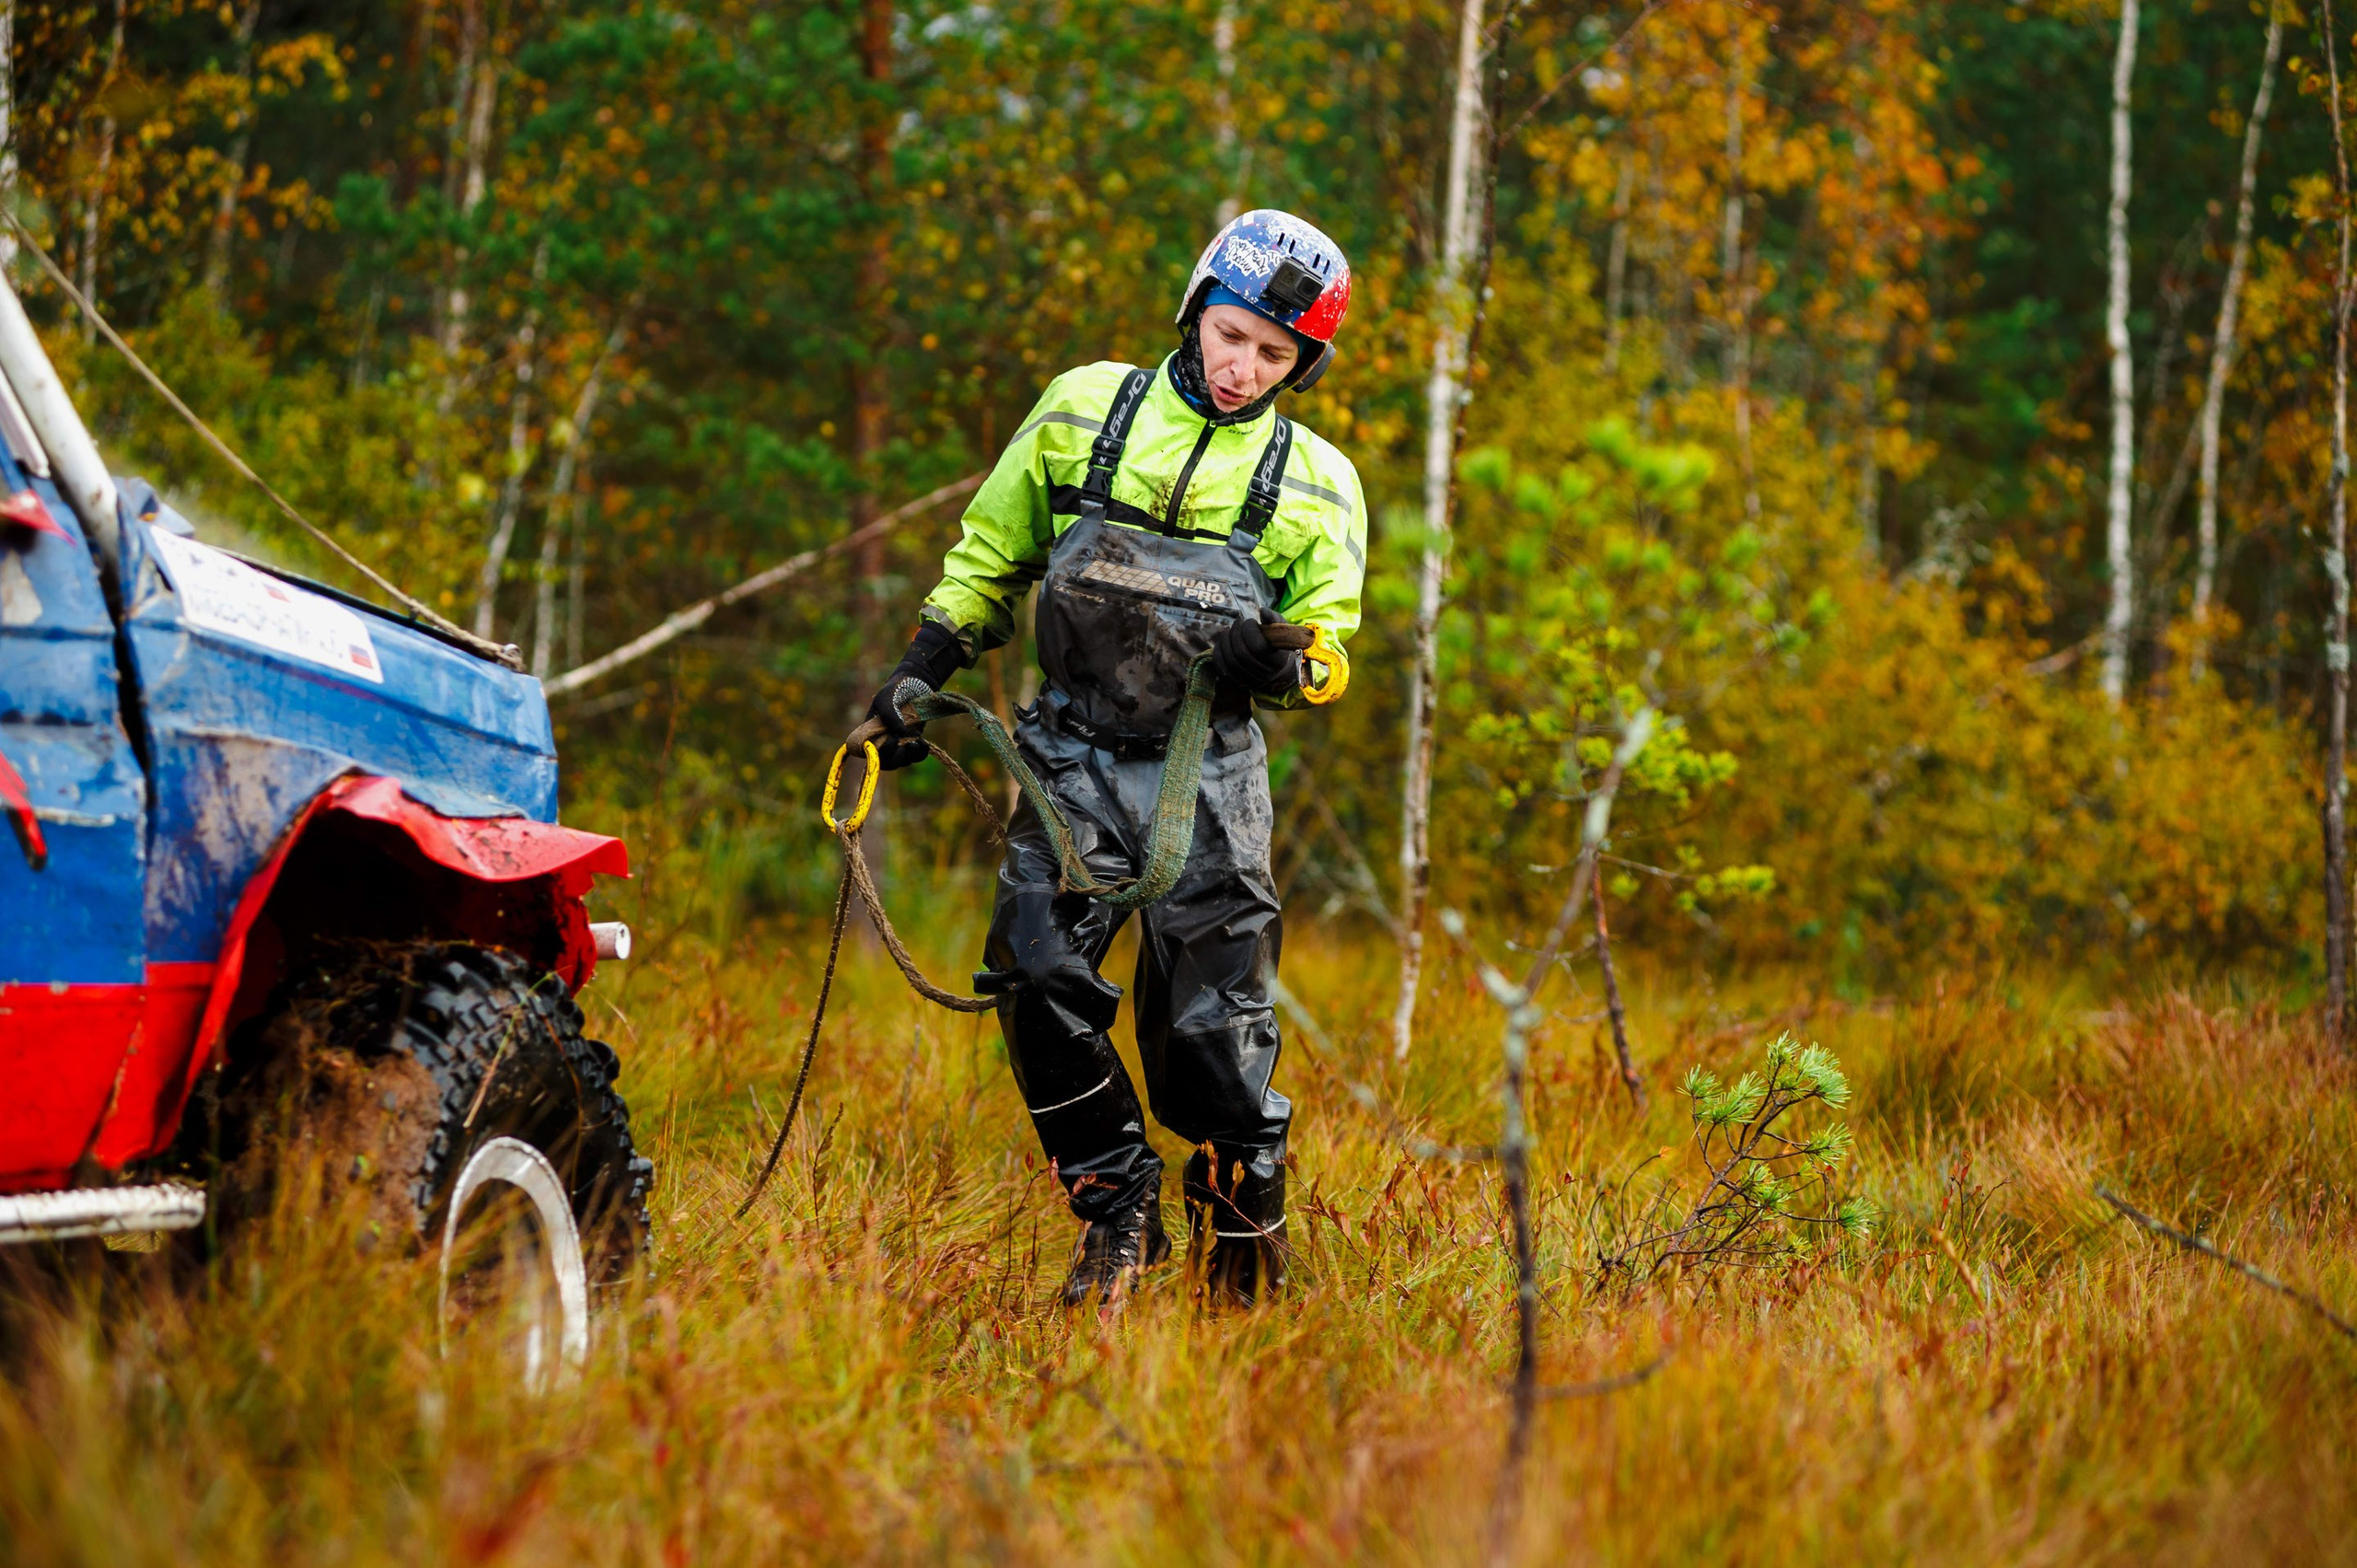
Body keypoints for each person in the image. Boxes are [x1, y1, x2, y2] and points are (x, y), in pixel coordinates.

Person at [865, 209, 1366, 1308]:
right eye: (1233, 335)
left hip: (1211, 781)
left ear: (1306, 365)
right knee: (1035, 972)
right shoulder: (1084, 405)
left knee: (1213, 1038)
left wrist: (1277, 659)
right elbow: (994, 552)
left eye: (1276, 356)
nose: (1245, 369)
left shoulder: (1319, 483)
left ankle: (1240, 1291)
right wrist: (922, 666)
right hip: (1069, 758)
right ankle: (1116, 1201)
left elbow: (1329, 648)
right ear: (1196, 309)